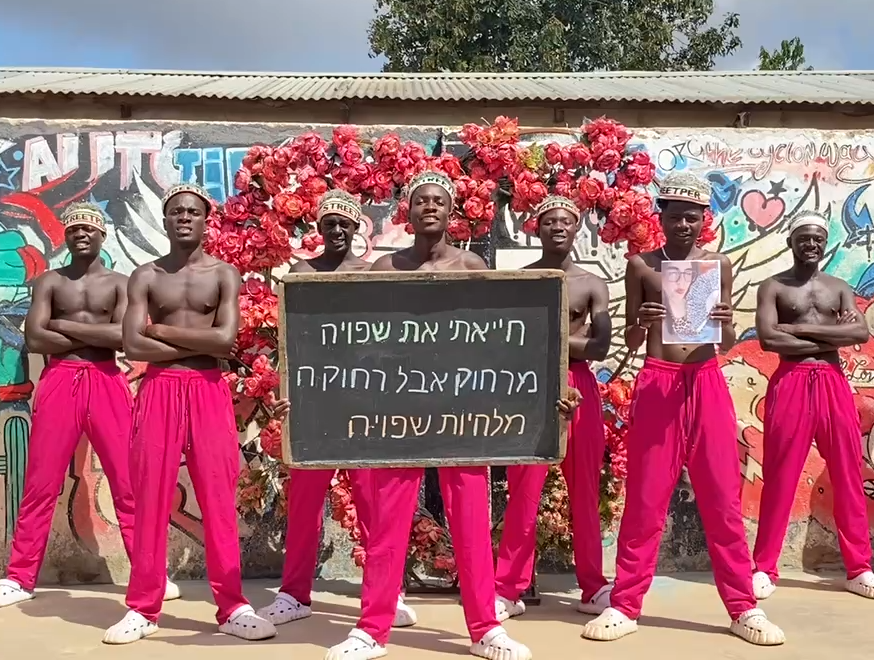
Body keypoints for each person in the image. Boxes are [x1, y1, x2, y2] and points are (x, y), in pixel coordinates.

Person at [326, 170, 540, 660]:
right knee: (387, 525)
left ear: (451, 212)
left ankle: (485, 628)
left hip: (460, 413)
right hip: (399, 412)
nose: (429, 207)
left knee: (471, 523)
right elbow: (362, 339)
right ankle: (372, 628)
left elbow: (496, 340)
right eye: (420, 200)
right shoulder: (385, 268)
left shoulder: (470, 266)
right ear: (408, 210)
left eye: (438, 201)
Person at [582, 172, 785, 646]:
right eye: (675, 217)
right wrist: (642, 321)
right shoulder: (642, 266)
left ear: (703, 220)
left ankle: (743, 607)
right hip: (658, 380)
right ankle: (625, 604)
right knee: (646, 499)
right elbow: (632, 339)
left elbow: (726, 341)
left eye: (692, 218)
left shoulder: (718, 265)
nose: (684, 225)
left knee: (722, 498)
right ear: (662, 218)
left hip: (706, 379)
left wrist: (726, 323)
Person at [0, 203, 180, 609]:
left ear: (102, 235)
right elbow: (35, 338)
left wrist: (62, 325)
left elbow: (122, 338)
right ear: (66, 237)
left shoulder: (121, 283)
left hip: (106, 380)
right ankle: (19, 578)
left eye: (89, 228)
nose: (81, 234)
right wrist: (91, 333)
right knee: (40, 483)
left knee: (128, 482)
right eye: (74, 229)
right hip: (59, 380)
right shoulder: (50, 282)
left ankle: (150, 574)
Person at [102, 184, 276, 644]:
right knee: (150, 497)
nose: (184, 217)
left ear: (205, 221)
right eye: (176, 211)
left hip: (207, 390)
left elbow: (225, 341)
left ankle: (232, 606)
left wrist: (159, 330)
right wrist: (187, 341)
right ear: (165, 220)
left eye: (192, 212)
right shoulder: (145, 275)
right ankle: (143, 607)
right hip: (159, 389)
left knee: (218, 496)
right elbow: (132, 344)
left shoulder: (223, 274)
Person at [258, 190, 418, 628]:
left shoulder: (371, 275)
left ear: (356, 229)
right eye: (329, 223)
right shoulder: (301, 274)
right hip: (314, 403)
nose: (337, 231)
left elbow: (388, 339)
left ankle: (388, 593)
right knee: (305, 503)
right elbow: (290, 342)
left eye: (344, 224)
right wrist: (286, 391)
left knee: (371, 502)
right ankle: (294, 594)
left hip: (364, 401)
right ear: (319, 228)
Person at [750, 211, 874, 600]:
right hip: (791, 380)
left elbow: (859, 332)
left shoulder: (839, 287)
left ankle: (859, 569)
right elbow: (768, 339)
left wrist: (797, 328)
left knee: (848, 472)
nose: (810, 244)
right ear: (791, 242)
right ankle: (764, 567)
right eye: (803, 238)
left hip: (832, 381)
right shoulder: (773, 287)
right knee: (780, 474)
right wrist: (832, 335)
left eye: (817, 239)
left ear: (824, 243)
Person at [493, 195, 612, 622]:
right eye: (549, 222)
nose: (557, 227)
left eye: (565, 221)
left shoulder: (592, 283)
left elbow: (600, 346)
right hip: (532, 387)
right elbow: (510, 341)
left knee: (585, 490)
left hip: (579, 386)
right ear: (536, 229)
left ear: (577, 228)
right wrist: (568, 339)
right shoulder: (523, 280)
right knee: (524, 491)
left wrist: (546, 335)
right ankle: (508, 588)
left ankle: (593, 586)